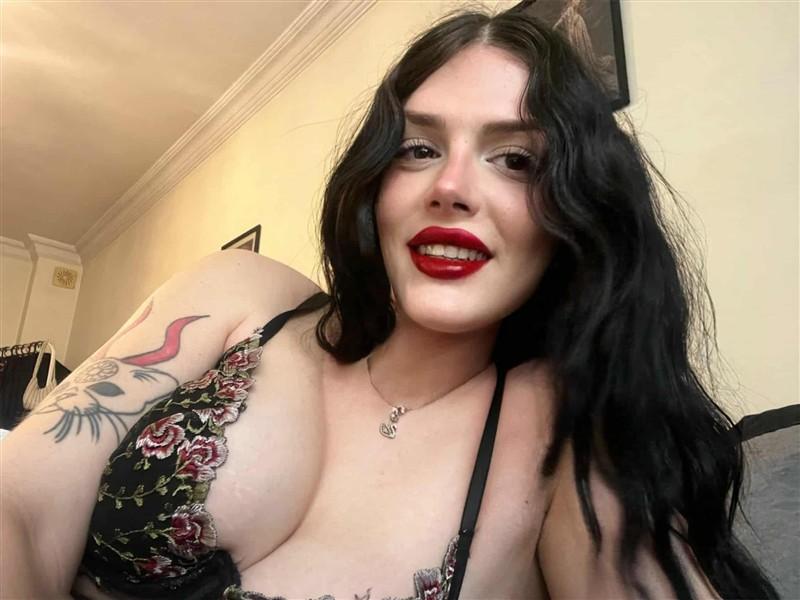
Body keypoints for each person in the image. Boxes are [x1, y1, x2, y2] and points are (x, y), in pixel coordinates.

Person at [0, 2, 778, 599]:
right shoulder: (241, 294)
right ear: (377, 182)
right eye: (419, 148)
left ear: (575, 211)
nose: (451, 186)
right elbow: (19, 505)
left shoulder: (565, 432)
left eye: (516, 159)